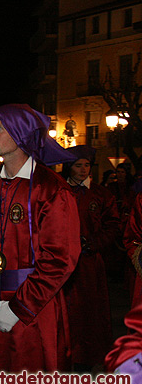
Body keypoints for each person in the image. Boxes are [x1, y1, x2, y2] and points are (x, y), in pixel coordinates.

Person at [0, 104, 81, 384]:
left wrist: (19, 307)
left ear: (21, 134)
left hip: (34, 309)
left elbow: (60, 259)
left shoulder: (50, 189)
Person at [61, 145, 119, 371]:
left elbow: (112, 225)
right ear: (69, 167)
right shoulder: (60, 190)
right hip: (63, 261)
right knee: (65, 309)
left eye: (86, 165)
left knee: (89, 311)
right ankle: (63, 354)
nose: (83, 169)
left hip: (89, 262)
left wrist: (94, 243)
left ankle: (86, 356)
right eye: (78, 165)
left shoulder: (102, 194)